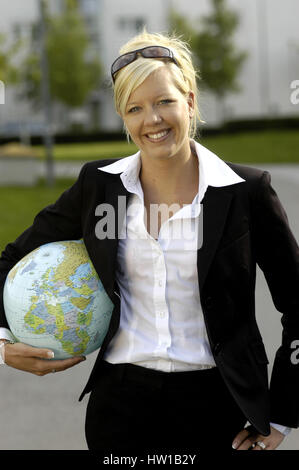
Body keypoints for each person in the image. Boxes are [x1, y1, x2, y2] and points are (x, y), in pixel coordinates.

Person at [0, 28, 298, 454]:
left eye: (164, 102)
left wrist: (283, 415)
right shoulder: (100, 188)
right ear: (124, 117)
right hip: (119, 409)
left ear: (190, 101)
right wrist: (3, 346)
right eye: (135, 108)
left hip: (219, 407)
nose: (151, 120)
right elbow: (11, 259)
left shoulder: (245, 191)